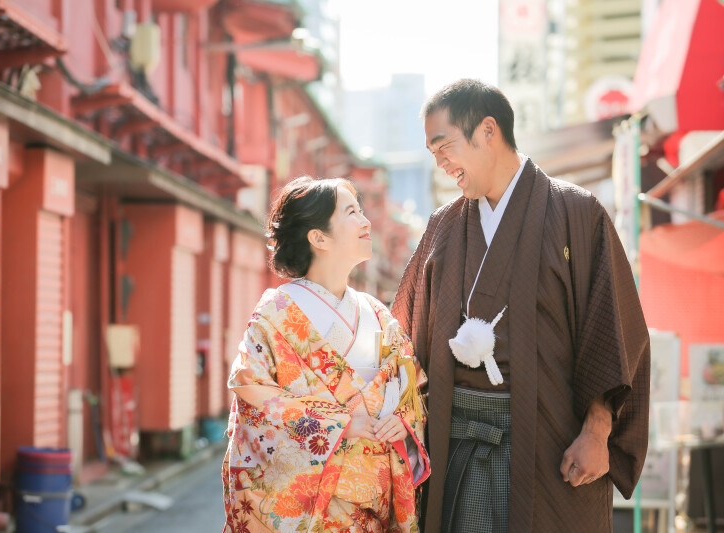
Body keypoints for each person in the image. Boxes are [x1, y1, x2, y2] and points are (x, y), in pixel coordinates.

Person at [392, 79, 650, 533]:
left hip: (550, 441)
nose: (440, 162)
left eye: (444, 145)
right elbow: (404, 333)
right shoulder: (444, 226)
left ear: (488, 130)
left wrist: (597, 431)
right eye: (434, 153)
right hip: (459, 447)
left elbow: (611, 331)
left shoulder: (576, 213)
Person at [222, 176, 430, 533]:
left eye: (363, 210)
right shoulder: (277, 311)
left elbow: (412, 385)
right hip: (311, 508)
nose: (366, 222)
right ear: (318, 237)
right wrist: (341, 424)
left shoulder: (378, 313)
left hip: (374, 504)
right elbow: (253, 395)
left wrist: (404, 422)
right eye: (352, 212)